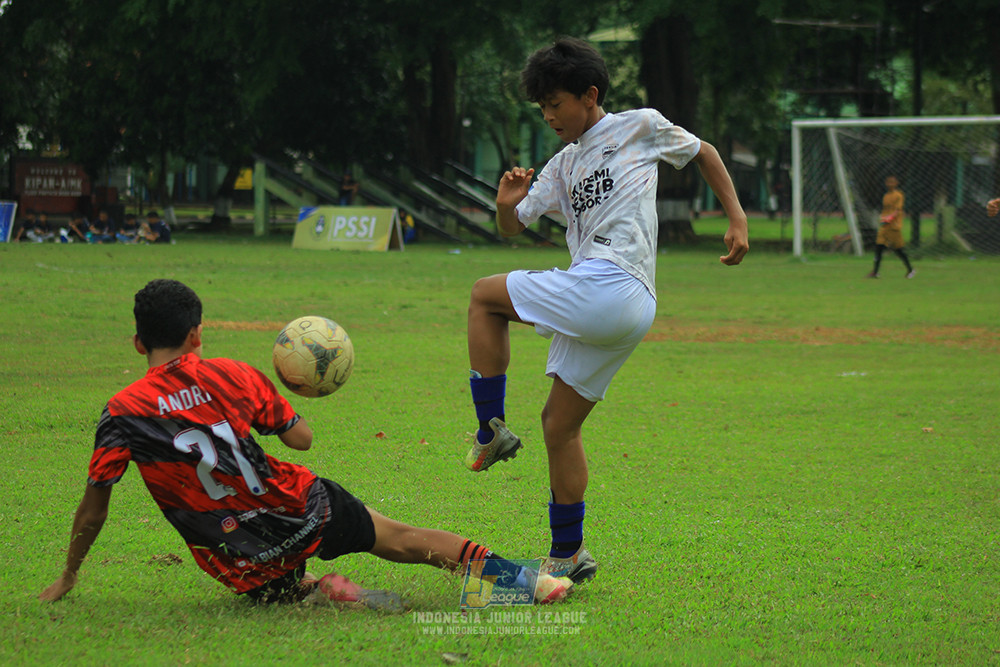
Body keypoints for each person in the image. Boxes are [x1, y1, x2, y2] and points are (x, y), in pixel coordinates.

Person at [40, 279, 572, 606]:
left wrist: (69, 573)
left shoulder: (122, 411)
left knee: (275, 587)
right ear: (198, 334)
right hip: (301, 508)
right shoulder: (233, 375)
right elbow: (301, 441)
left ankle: (318, 589)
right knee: (403, 540)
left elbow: (93, 509)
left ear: (137, 342)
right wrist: (289, 393)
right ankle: (525, 582)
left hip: (235, 558)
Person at [461, 37, 749, 584]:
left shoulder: (638, 125)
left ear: (590, 95)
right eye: (542, 107)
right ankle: (568, 552)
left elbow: (704, 152)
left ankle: (487, 429)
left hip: (615, 285)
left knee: (482, 296)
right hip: (618, 304)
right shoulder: (563, 164)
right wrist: (504, 207)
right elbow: (514, 226)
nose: (548, 116)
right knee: (558, 428)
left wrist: (735, 217)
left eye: (556, 104)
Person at [867, 175, 914, 279]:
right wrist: (883, 218)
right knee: (878, 247)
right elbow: (885, 210)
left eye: (892, 182)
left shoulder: (899, 195)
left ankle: (910, 269)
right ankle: (875, 272)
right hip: (884, 226)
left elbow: (898, 210)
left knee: (899, 250)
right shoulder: (886, 196)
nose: (890, 184)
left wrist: (890, 217)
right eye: (888, 182)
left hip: (894, 227)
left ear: (896, 183)